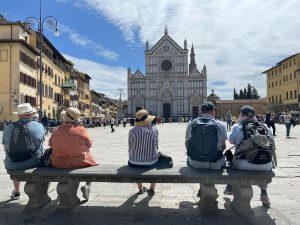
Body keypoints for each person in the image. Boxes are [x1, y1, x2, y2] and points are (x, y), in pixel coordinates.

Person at [223, 106, 276, 206]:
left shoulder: (238, 127)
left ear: (243, 115)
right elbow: (272, 142)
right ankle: (264, 193)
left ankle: (229, 186)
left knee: (232, 160)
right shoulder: (264, 127)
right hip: (266, 164)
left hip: (245, 164)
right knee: (261, 164)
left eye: (240, 114)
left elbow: (231, 141)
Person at [49, 107, 97, 201]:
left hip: (58, 163)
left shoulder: (56, 130)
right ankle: (86, 186)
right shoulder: (81, 129)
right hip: (79, 162)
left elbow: (50, 144)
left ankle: (66, 192)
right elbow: (89, 144)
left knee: (67, 160)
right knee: (89, 159)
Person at [2, 103, 45, 200]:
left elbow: (6, 149)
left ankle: (16, 191)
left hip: (13, 164)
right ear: (31, 114)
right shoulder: (39, 126)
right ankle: (40, 191)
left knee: (13, 160)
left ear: (18, 115)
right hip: (35, 163)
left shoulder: (7, 128)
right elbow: (41, 144)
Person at [185, 101, 227, 169]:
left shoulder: (191, 124)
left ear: (201, 112)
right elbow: (223, 146)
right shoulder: (221, 125)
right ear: (213, 111)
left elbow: (187, 144)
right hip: (215, 164)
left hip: (194, 163)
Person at [128, 109, 159, 195]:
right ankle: (152, 189)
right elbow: (156, 146)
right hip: (151, 162)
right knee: (156, 163)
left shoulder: (132, 131)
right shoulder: (154, 130)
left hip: (134, 162)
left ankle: (141, 189)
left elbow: (129, 148)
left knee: (137, 164)